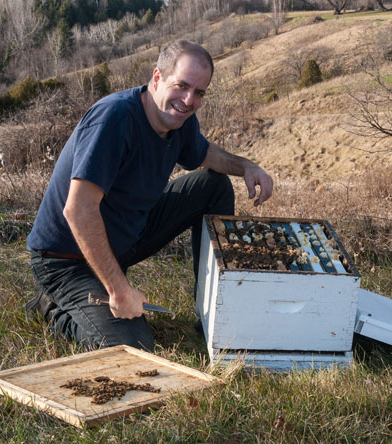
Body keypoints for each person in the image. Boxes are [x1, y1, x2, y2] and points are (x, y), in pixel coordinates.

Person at [24, 40, 273, 351]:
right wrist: (119, 290)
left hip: (125, 237)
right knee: (133, 347)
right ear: (157, 77)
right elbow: (78, 210)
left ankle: (212, 312)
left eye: (199, 92)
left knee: (214, 186)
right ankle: (53, 307)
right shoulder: (113, 119)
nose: (188, 100)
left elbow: (205, 153)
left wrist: (245, 166)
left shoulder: (179, 121)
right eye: (181, 86)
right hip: (66, 259)